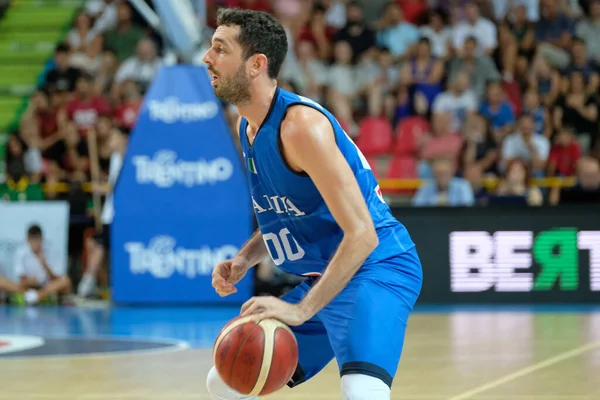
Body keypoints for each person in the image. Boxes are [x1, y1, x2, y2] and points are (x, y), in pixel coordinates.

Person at [202, 8, 423, 400]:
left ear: (256, 64)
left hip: (378, 266)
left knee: (361, 391)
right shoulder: (248, 126)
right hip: (326, 278)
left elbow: (362, 235)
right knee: (226, 381)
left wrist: (301, 311)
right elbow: (284, 212)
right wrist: (244, 259)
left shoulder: (300, 127)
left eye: (220, 49)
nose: (207, 58)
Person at [13, 225, 71, 305]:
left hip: (46, 287)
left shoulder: (50, 251)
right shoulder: (21, 253)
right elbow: (21, 280)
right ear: (28, 240)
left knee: (65, 281)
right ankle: (36, 296)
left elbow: (56, 279)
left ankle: (36, 297)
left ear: (42, 239)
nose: (36, 244)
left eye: (38, 240)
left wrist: (45, 266)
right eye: (33, 240)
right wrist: (30, 281)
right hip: (29, 286)